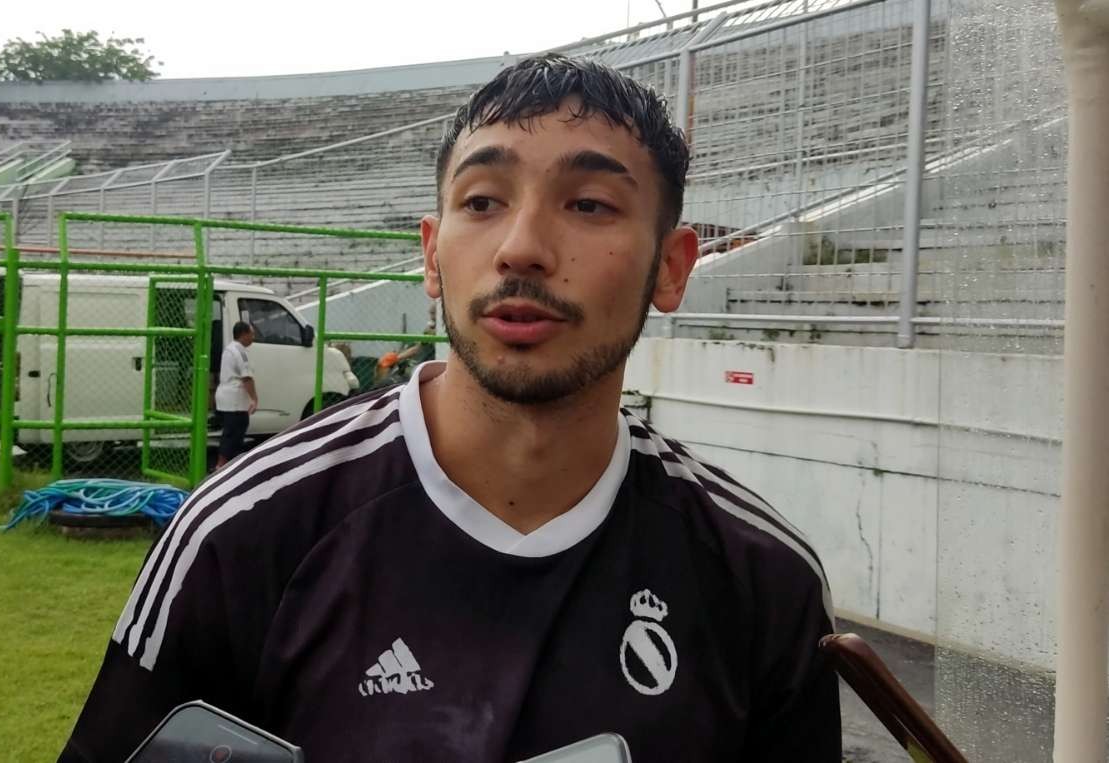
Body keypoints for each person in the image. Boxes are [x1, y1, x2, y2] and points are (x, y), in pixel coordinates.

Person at [62, 54, 839, 762]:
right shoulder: (239, 531)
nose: (522, 246)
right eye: (482, 200)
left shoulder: (763, 579)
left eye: (591, 205)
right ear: (432, 254)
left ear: (671, 269)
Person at [214, 321, 256, 469]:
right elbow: (246, 377)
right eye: (251, 333)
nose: (253, 336)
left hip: (225, 397)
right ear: (244, 334)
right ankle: (222, 465)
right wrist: (254, 399)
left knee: (230, 432)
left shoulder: (229, 349)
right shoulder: (239, 351)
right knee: (234, 433)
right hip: (235, 400)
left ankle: (226, 465)